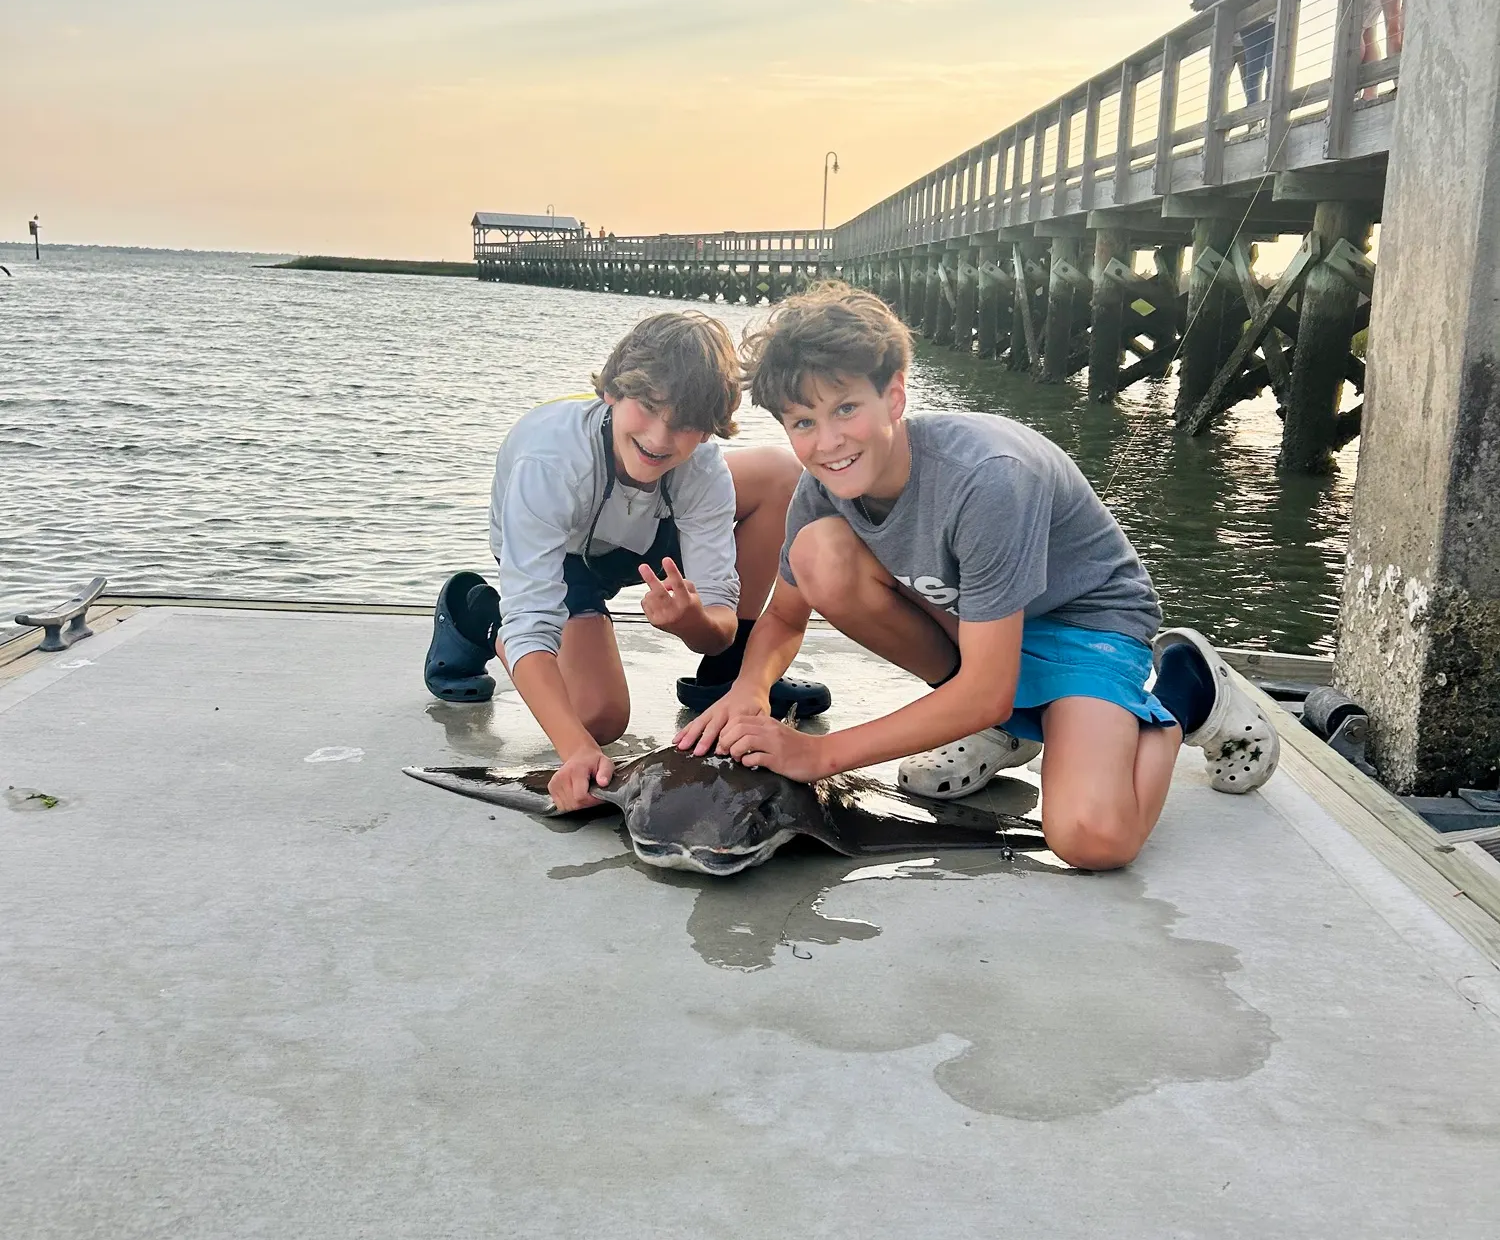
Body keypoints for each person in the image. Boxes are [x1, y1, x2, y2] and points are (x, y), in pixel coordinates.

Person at [673, 284, 1282, 870]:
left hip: (1085, 623)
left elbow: (989, 685)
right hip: (983, 622)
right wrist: (748, 693)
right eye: (803, 423)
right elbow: (784, 615)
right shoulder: (823, 485)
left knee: (1092, 839)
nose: (829, 442)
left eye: (846, 408)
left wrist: (820, 754)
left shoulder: (987, 478)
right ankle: (1011, 729)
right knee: (820, 556)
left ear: (894, 396)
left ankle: (1187, 691)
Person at [424, 311, 831, 809]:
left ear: (709, 431)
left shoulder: (699, 467)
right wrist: (576, 750)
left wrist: (693, 622)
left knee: (780, 475)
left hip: (649, 531)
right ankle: (482, 615)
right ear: (611, 392)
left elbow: (720, 616)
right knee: (597, 719)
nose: (660, 437)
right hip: (567, 555)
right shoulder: (549, 462)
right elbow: (535, 622)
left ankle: (728, 679)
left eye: (685, 423)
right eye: (648, 406)